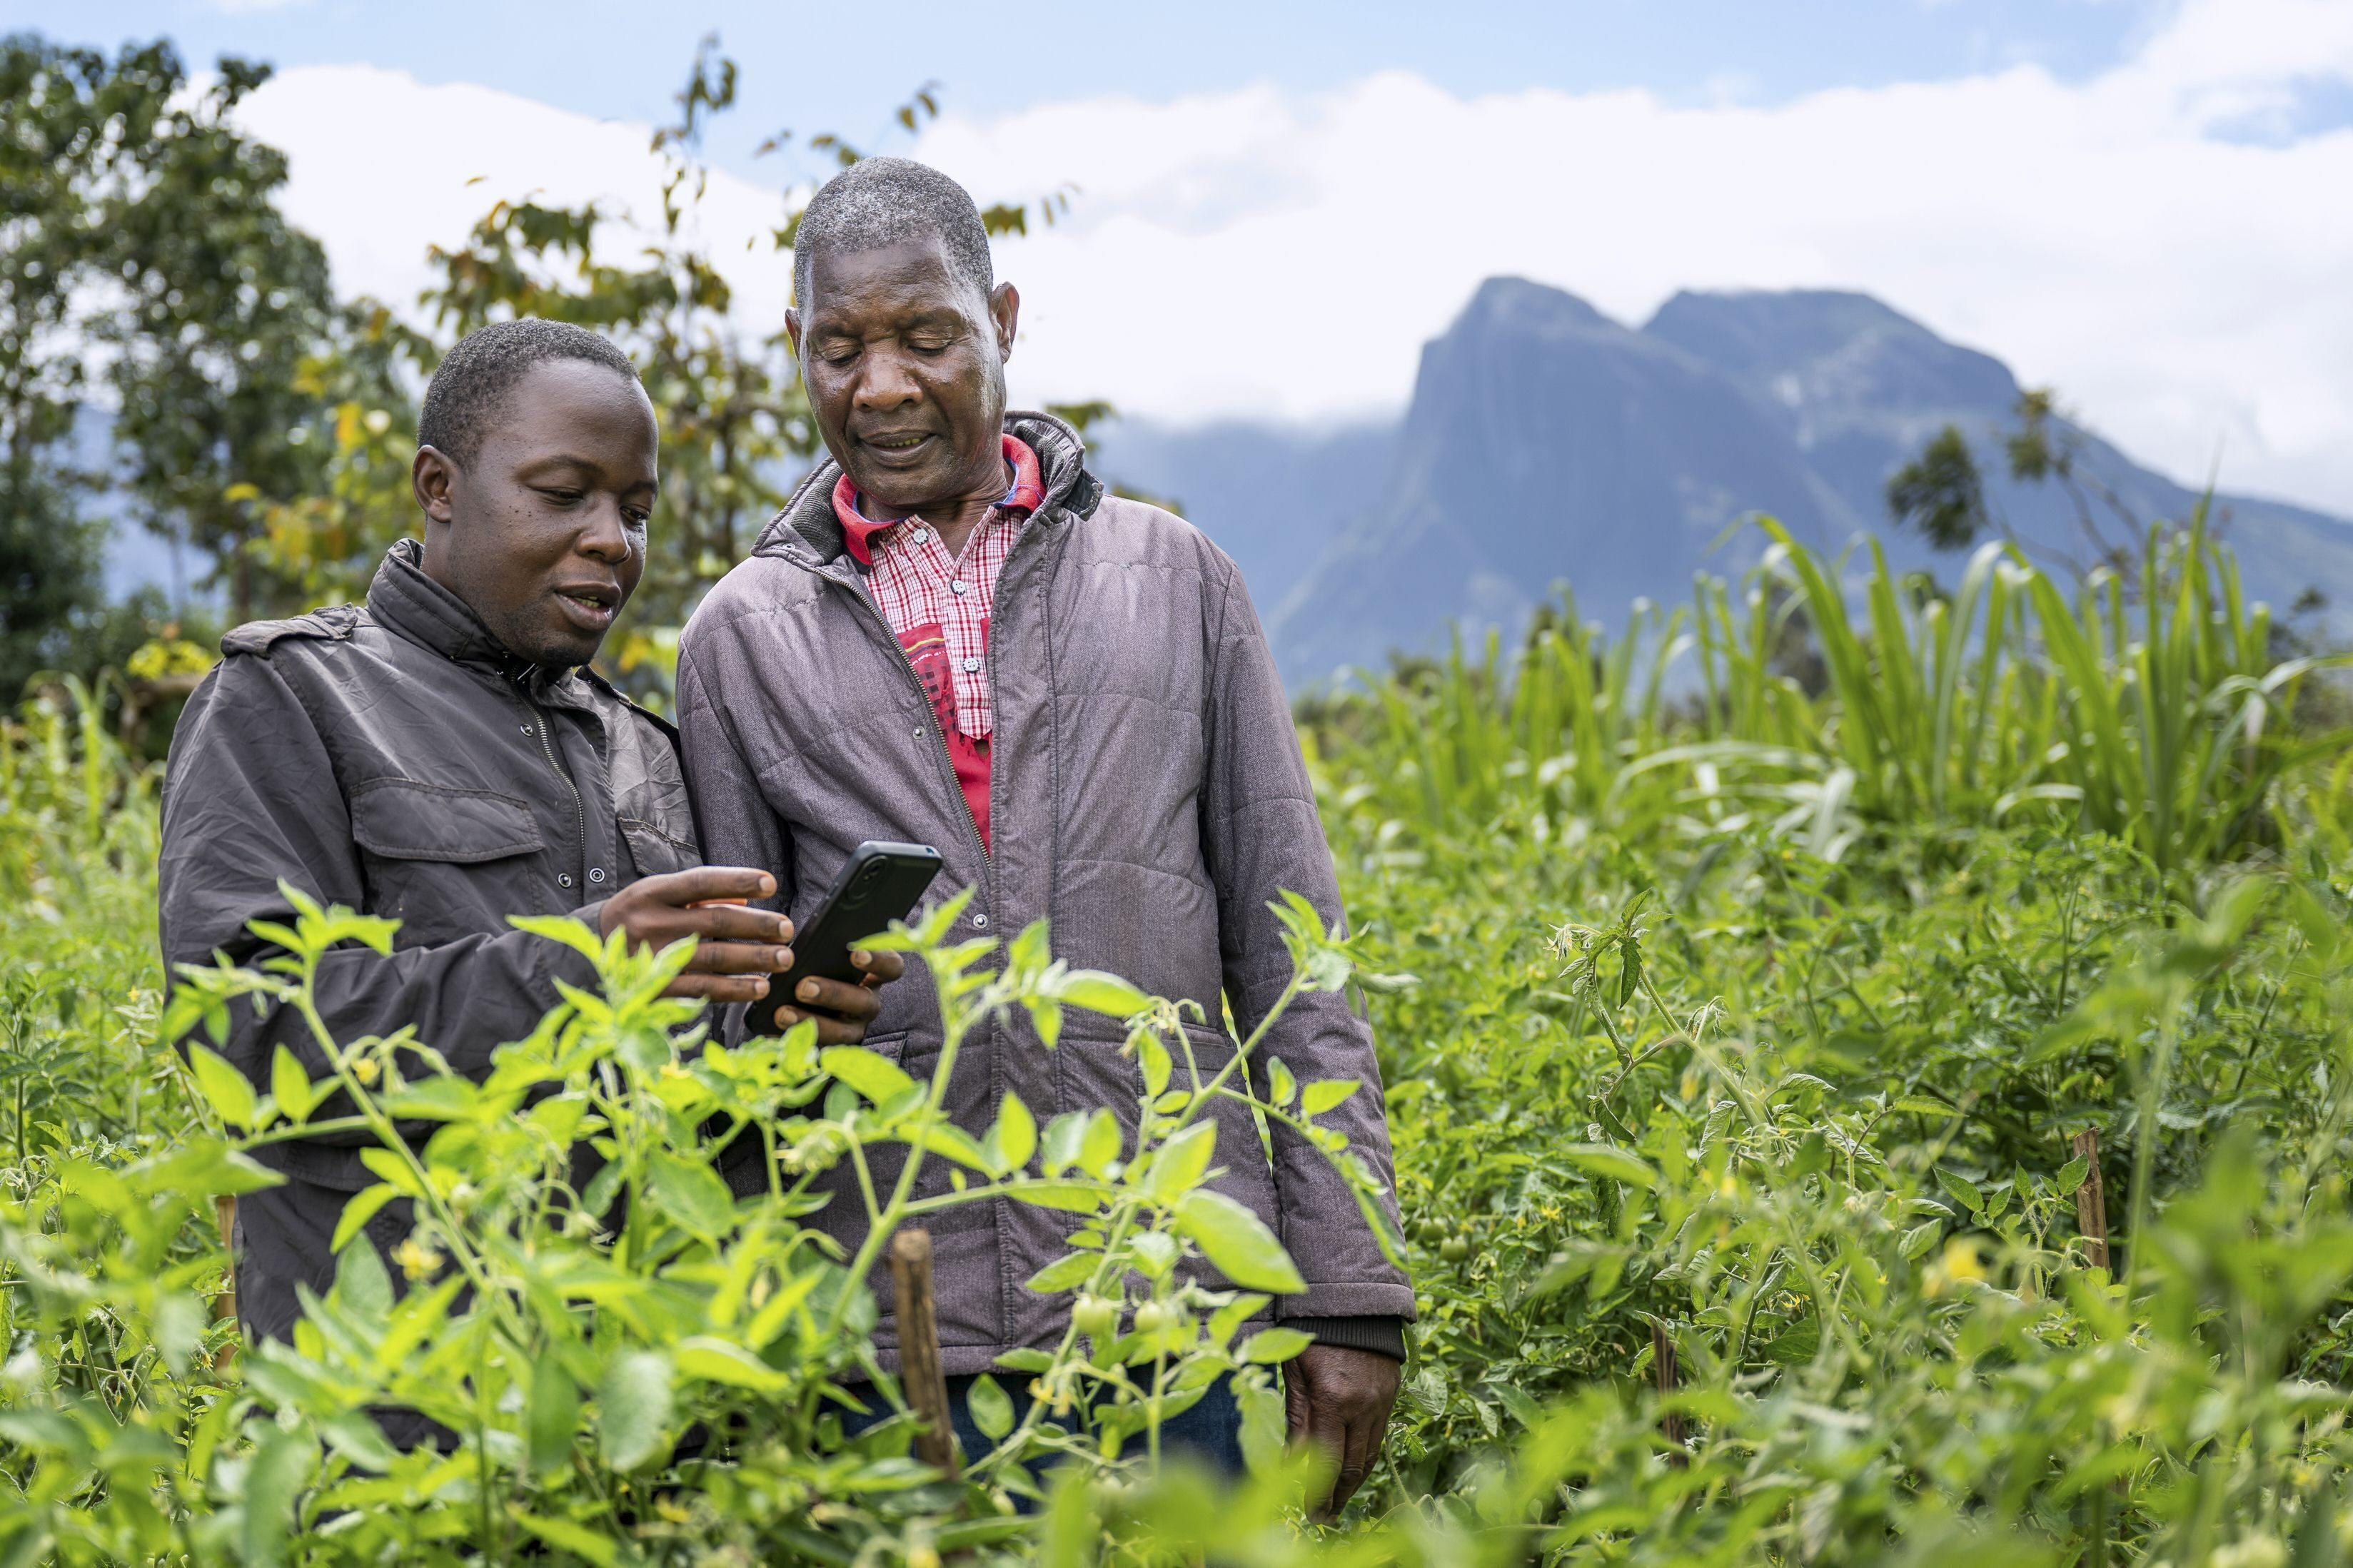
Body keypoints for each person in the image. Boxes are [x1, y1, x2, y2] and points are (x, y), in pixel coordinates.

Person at [676, 159, 1411, 1510]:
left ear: (1002, 320)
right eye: (839, 348)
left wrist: (1352, 1292)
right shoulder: (740, 635)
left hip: (1169, 1310)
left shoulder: (1175, 576)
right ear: (797, 351)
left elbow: (1298, 956)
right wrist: (774, 1020)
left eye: (925, 337)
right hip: (885, 1330)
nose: (881, 384)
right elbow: (718, 1019)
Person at [158, 319, 900, 1365]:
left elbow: (686, 1106)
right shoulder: (291, 697)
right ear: (440, 485)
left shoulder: (647, 749)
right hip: (399, 1411)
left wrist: (778, 1044)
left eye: (635, 511)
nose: (612, 539)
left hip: (643, 1409)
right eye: (564, 495)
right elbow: (248, 1036)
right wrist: (580, 963)